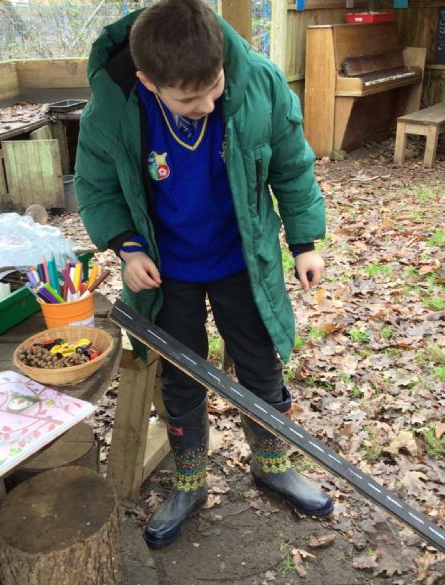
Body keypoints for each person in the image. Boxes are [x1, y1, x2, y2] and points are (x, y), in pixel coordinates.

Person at [74, 0, 332, 549]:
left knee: (260, 363)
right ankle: (190, 481)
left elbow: (292, 164)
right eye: (189, 100)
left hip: (243, 260)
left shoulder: (258, 82)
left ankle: (272, 464)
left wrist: (304, 242)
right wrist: (127, 248)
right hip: (167, 272)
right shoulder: (113, 106)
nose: (208, 104)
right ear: (148, 81)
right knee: (180, 374)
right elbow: (96, 187)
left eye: (214, 87)